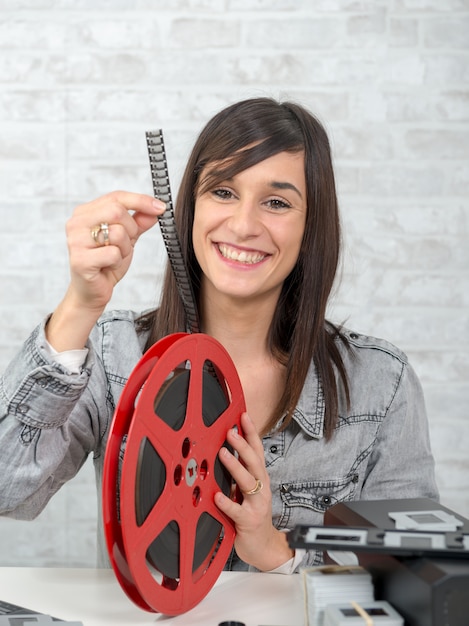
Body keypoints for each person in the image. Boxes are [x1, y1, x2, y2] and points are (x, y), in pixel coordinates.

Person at [0, 97, 438, 574]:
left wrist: (274, 550)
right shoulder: (114, 352)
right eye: (223, 192)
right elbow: (7, 491)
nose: (244, 225)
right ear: (189, 210)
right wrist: (80, 306)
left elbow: (414, 571)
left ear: (311, 227)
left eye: (276, 202)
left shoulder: (381, 382)